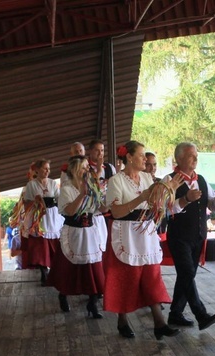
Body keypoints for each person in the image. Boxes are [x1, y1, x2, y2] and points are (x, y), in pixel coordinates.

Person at [104, 140, 182, 340]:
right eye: (140, 155)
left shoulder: (147, 178)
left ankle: (159, 322)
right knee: (127, 276)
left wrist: (168, 190)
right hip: (126, 232)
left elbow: (157, 204)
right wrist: (140, 199)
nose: (145, 159)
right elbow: (116, 211)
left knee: (151, 275)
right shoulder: (116, 181)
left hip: (146, 231)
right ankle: (122, 319)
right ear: (129, 157)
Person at [165, 142, 215, 330]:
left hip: (198, 235)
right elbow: (165, 209)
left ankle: (175, 313)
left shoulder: (201, 179)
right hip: (179, 236)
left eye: (196, 155)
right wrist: (186, 199)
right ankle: (201, 314)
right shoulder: (170, 179)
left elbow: (213, 205)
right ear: (179, 158)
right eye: (191, 156)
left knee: (186, 276)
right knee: (187, 273)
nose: (195, 159)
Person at [46, 155, 106, 317]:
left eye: (88, 167)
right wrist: (82, 194)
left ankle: (92, 303)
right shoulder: (66, 189)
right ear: (74, 170)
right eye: (84, 167)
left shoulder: (92, 186)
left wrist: (103, 196)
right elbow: (70, 211)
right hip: (73, 231)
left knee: (93, 268)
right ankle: (63, 294)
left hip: (90, 232)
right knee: (69, 268)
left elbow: (101, 209)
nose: (88, 169)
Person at [22, 159, 63, 284]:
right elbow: (26, 203)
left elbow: (58, 198)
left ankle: (54, 271)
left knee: (54, 244)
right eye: (45, 168)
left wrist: (53, 201)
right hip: (39, 217)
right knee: (41, 245)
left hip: (52, 216)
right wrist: (36, 201)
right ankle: (43, 270)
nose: (47, 171)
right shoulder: (31, 185)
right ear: (37, 170)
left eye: (49, 169)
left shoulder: (52, 183)